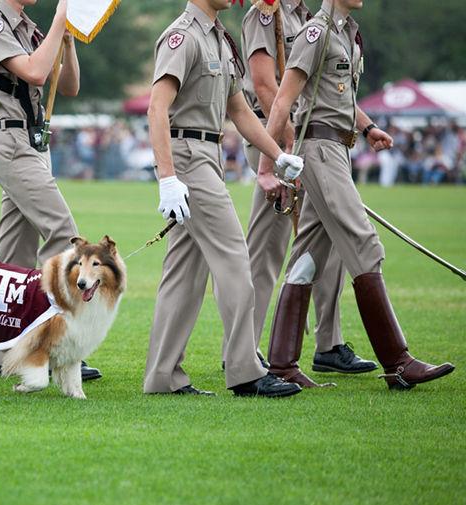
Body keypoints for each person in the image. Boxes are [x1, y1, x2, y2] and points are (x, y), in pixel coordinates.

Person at [258, 0, 454, 390]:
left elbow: (339, 97)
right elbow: (283, 99)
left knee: (308, 256)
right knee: (364, 244)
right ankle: (398, 361)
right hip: (319, 150)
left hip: (338, 149)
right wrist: (268, 165)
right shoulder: (317, 32)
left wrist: (368, 129)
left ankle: (281, 365)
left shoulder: (347, 32)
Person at [143, 0, 305, 397]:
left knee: (184, 272)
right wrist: (167, 176)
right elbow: (156, 107)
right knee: (235, 258)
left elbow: (240, 111)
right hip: (188, 158)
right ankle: (246, 371)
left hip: (207, 155)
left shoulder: (219, 39)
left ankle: (162, 377)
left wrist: (277, 155)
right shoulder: (183, 36)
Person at [239, 0, 376, 387]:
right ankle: (244, 349)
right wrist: (280, 145)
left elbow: (330, 87)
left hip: (304, 139)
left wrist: (366, 128)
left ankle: (328, 344)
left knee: (326, 239)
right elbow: (267, 85)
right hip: (277, 138)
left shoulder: (309, 18)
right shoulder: (266, 13)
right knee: (268, 245)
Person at [0, 0, 101, 380]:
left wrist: (69, 37)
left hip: (31, 144)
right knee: (64, 234)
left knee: (12, 253)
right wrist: (60, 19)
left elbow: (70, 85)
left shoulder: (30, 28)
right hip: (11, 142)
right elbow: (35, 72)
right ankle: (52, 345)